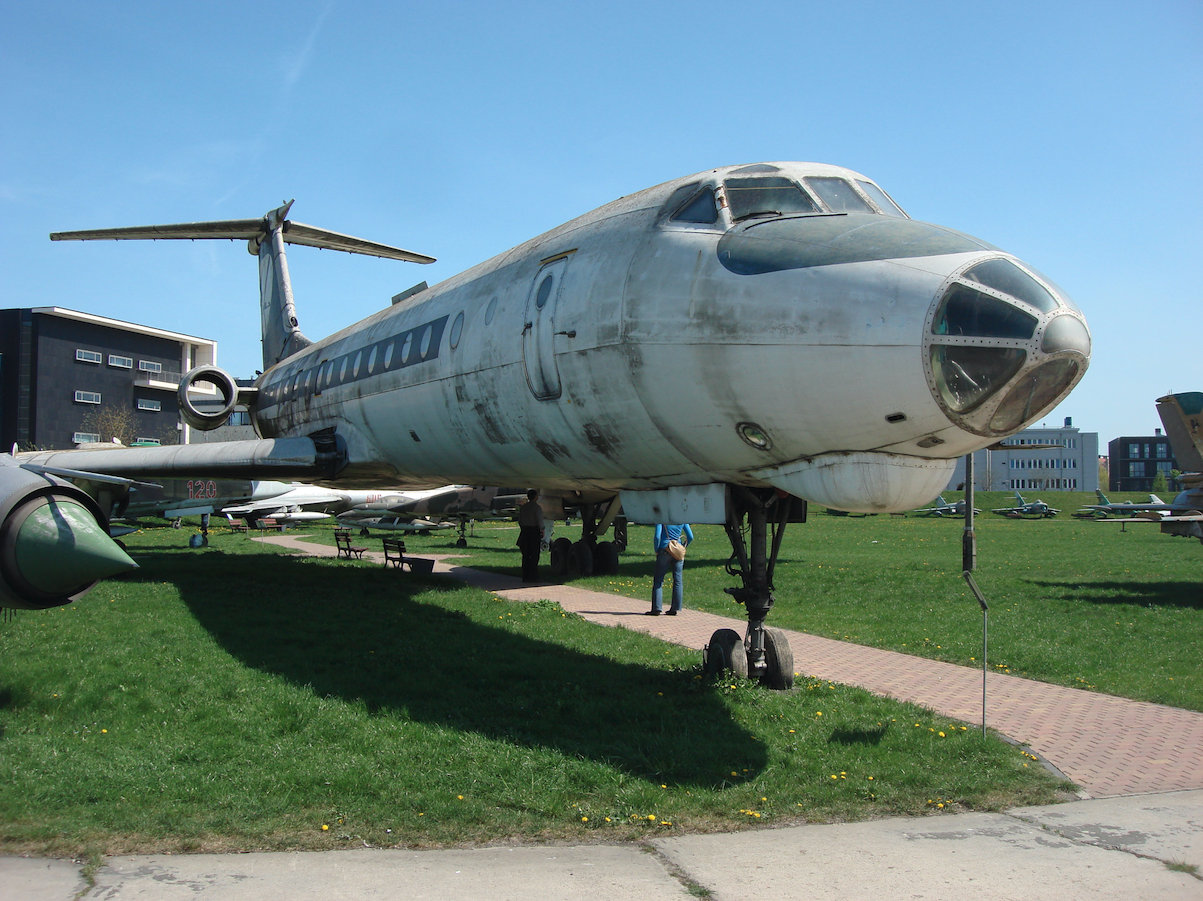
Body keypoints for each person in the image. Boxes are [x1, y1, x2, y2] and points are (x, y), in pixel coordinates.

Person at [648, 523, 693, 615]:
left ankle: (656, 608)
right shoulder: (682, 519)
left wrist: (656, 550)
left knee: (659, 580)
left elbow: (657, 536)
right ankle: (675, 608)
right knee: (678, 580)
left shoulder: (662, 518)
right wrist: (682, 546)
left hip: (665, 548)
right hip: (677, 550)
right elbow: (690, 536)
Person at [517, 489, 544, 582]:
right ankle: (533, 576)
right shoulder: (536, 507)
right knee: (534, 554)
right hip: (534, 531)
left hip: (525, 531)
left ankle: (525, 575)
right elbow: (540, 519)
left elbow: (520, 521)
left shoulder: (523, 507)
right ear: (535, 497)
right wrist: (542, 529)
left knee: (525, 555)